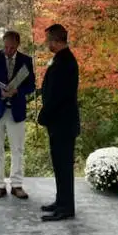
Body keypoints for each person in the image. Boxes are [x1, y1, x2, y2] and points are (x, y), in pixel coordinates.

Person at [0, 31, 35, 200]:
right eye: (6, 47)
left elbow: (31, 86)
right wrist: (0, 92)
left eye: (12, 47)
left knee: (17, 149)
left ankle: (17, 185)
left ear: (18, 45)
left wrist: (17, 91)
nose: (8, 50)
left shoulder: (26, 61)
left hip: (16, 110)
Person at [37, 23, 80, 222]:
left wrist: (44, 114)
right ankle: (60, 200)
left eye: (48, 40)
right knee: (59, 165)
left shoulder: (66, 62)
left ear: (56, 40)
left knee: (63, 166)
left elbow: (59, 95)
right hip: (58, 123)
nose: (46, 44)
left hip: (63, 123)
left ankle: (66, 207)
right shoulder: (60, 60)